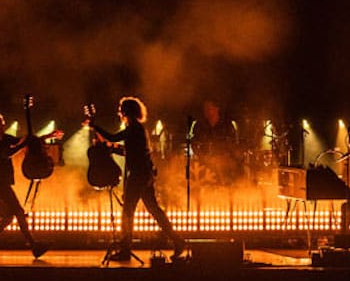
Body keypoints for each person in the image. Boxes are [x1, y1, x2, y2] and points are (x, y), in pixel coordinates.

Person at [87, 96, 185, 261]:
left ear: (126, 111)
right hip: (144, 174)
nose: (119, 112)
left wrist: (95, 126)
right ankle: (177, 240)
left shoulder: (134, 128)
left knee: (128, 212)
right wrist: (112, 148)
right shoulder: (137, 128)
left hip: (139, 175)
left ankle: (125, 250)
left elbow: (113, 138)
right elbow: (129, 151)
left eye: (121, 109)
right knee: (153, 209)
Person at [0, 112, 49, 259]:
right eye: (0, 123)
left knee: (7, 218)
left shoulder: (3, 139)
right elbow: (6, 153)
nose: (3, 125)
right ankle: (34, 245)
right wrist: (22, 144)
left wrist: (44, 137)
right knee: (19, 212)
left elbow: (22, 140)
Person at [191, 100, 239, 184]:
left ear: (217, 109)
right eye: (205, 109)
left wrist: (225, 159)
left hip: (224, 165)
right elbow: (194, 143)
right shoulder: (199, 125)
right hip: (205, 165)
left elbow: (233, 144)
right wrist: (202, 157)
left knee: (225, 186)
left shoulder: (227, 125)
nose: (206, 111)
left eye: (209, 108)